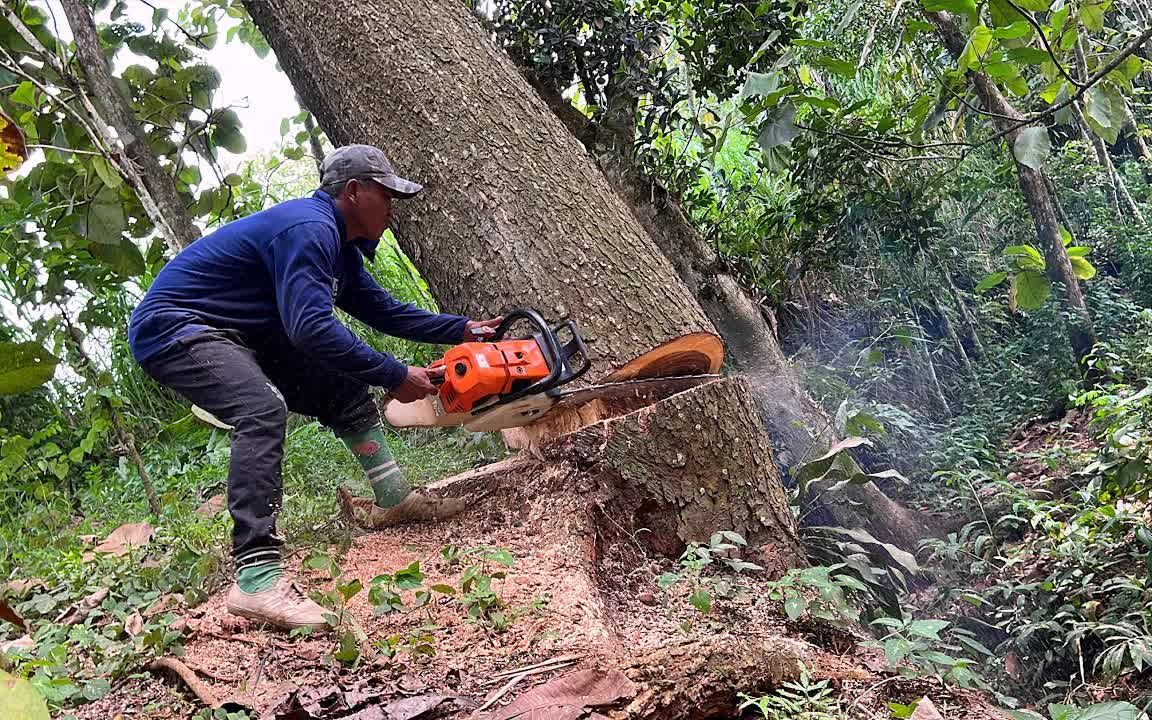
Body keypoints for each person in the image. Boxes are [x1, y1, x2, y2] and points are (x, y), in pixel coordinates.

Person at [128, 144, 500, 631]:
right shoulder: (310, 229)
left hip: (241, 334)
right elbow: (311, 329)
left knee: (343, 393)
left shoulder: (338, 248)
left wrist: (461, 329)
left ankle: (392, 498)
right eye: (386, 197)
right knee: (261, 408)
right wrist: (393, 374)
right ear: (354, 192)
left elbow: (382, 310)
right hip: (176, 329)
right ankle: (256, 581)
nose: (392, 210)